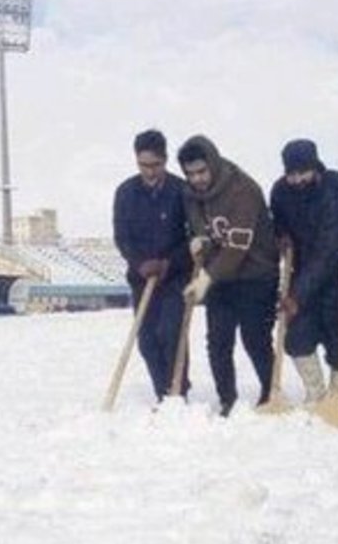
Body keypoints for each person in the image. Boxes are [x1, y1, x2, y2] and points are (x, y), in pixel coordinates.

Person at [177, 135, 279, 416]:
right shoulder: (190, 194)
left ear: (213, 162)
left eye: (201, 171)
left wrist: (206, 278)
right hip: (221, 275)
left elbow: (237, 247)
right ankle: (227, 399)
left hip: (256, 273)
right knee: (218, 341)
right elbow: (203, 229)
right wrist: (200, 241)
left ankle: (271, 392)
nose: (196, 179)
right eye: (190, 173)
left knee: (255, 338)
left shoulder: (242, 190)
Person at [269, 139, 338, 403]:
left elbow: (328, 253)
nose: (296, 180)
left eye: (302, 173)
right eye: (291, 174)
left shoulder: (334, 194)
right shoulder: (281, 191)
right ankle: (316, 393)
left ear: (315, 168)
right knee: (297, 337)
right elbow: (277, 221)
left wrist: (297, 295)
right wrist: (280, 234)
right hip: (302, 271)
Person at [113, 129, 191, 401]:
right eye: (144, 165)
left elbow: (192, 237)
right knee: (146, 340)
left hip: (175, 276)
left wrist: (169, 263)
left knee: (170, 332)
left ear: (165, 160)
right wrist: (139, 263)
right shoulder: (125, 192)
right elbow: (122, 237)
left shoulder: (181, 190)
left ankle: (178, 390)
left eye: (155, 165)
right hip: (142, 277)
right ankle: (163, 392)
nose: (150, 172)